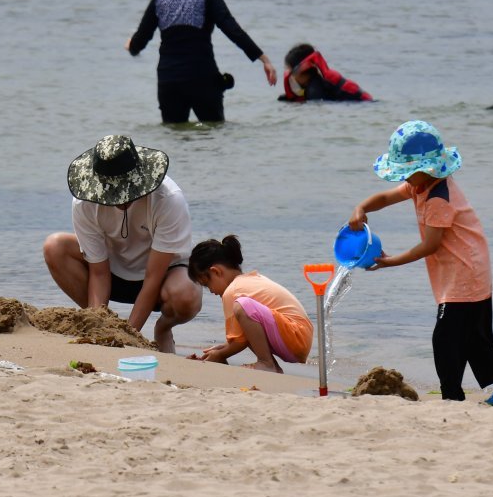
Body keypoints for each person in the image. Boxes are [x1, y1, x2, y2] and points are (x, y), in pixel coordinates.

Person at [346, 120, 493, 405]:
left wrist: (389, 262)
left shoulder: (438, 199)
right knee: (475, 338)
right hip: (470, 268)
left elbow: (430, 246)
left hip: (465, 274)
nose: (403, 179)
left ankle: (452, 398)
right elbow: (384, 197)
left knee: (445, 339)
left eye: (407, 172)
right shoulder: (419, 186)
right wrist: (361, 209)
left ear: (425, 169)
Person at [42, 135, 202, 353]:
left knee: (186, 296)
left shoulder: (168, 199)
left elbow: (153, 277)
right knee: (55, 246)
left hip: (164, 276)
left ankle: (163, 330)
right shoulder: (84, 203)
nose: (120, 199)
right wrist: (99, 328)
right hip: (112, 272)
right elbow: (98, 273)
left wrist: (127, 336)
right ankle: (103, 323)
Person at [126, 0, 277, 123]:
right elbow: (233, 30)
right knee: (212, 135)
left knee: (174, 138)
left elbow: (140, 41)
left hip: (169, 81)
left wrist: (131, 45)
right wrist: (263, 59)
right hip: (203, 79)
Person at [186, 235, 313, 373]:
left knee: (243, 306)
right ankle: (273, 366)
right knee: (245, 317)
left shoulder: (233, 291)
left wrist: (220, 354)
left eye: (207, 284)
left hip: (296, 335)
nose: (210, 291)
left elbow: (239, 342)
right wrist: (222, 349)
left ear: (216, 272)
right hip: (299, 338)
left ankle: (266, 363)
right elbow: (242, 337)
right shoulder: (247, 281)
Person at [279, 43, 373, 102]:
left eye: (291, 72)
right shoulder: (318, 83)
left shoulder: (315, 90)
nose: (290, 77)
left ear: (301, 70)